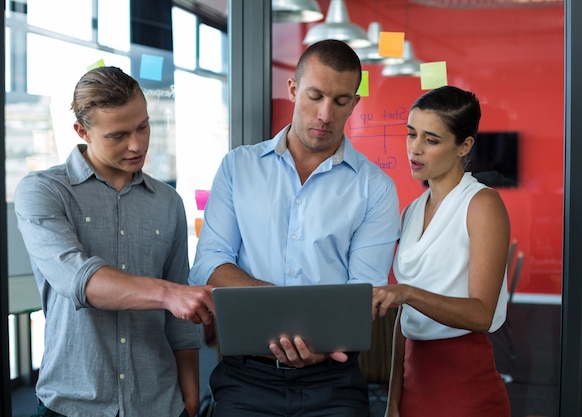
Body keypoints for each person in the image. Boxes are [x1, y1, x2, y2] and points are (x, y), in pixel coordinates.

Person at [188, 39, 400, 417]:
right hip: (245, 377)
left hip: (332, 380)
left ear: (353, 102)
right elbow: (209, 263)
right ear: (292, 89)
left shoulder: (375, 188)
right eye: (314, 95)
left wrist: (313, 339)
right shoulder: (239, 167)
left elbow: (362, 291)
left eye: (340, 101)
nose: (325, 114)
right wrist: (284, 311)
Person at [14, 66, 215, 417]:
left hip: (160, 403)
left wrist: (191, 398)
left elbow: (180, 322)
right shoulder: (43, 191)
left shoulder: (168, 202)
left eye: (143, 126)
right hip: (72, 404)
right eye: (118, 135)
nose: (137, 144)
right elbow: (77, 279)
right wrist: (168, 294)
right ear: (82, 131)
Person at [373, 86, 512, 417]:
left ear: (464, 145)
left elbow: (481, 314)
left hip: (464, 381)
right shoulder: (411, 211)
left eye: (431, 140)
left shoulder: (482, 204)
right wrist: (393, 400)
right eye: (411, 134)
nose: (415, 149)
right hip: (413, 379)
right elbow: (404, 320)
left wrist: (406, 293)